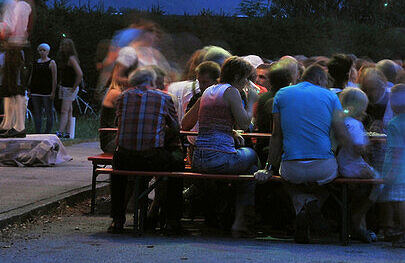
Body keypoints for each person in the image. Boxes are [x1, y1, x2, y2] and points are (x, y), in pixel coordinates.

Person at [260, 63, 352, 245]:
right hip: (322, 167)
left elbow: (276, 135)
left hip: (291, 167)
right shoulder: (331, 96)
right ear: (319, 79)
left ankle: (301, 208)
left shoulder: (282, 94)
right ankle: (313, 205)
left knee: (289, 182)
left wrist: (269, 167)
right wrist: (358, 148)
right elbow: (341, 133)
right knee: (328, 183)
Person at [183, 56, 258, 236]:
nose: (247, 82)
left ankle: (225, 213)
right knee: (254, 159)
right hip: (219, 158)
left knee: (250, 168)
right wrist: (252, 101)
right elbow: (244, 123)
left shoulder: (208, 91)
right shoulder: (231, 92)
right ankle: (241, 220)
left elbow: (185, 124)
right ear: (239, 76)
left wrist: (228, 131)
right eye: (246, 78)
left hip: (198, 158)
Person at [109, 67, 184, 234]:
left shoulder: (122, 97)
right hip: (152, 157)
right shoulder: (164, 98)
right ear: (152, 81)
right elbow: (176, 127)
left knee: (117, 168)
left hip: (125, 157)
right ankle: (172, 221)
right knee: (178, 164)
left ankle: (117, 220)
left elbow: (118, 123)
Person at [337, 87, 379, 243]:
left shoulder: (341, 122)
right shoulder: (355, 125)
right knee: (379, 182)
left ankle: (359, 223)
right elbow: (358, 149)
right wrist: (368, 147)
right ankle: (359, 214)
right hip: (354, 166)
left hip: (341, 164)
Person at [380, 83, 405, 248]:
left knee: (399, 200)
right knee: (397, 199)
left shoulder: (394, 123)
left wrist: (392, 170)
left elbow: (397, 149)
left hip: (397, 168)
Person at [0, 45, 27, 138]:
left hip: (17, 76)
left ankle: (19, 126)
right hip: (13, 56)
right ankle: (8, 124)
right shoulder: (6, 53)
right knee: (8, 95)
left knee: (16, 93)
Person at [55, 37, 83, 139]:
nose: (63, 47)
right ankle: (68, 132)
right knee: (69, 110)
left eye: (65, 45)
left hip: (69, 88)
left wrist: (74, 88)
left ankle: (60, 132)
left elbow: (79, 74)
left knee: (64, 110)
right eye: (62, 45)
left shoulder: (71, 59)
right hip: (64, 86)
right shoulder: (63, 59)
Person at [28, 43, 57, 134]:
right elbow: (32, 75)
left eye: (44, 50)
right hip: (36, 91)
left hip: (47, 91)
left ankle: (47, 132)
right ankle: (38, 132)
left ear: (48, 51)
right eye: (40, 50)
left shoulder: (51, 62)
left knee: (49, 112)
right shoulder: (35, 62)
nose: (42, 52)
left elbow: (54, 77)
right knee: (37, 113)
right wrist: (29, 88)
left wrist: (53, 91)